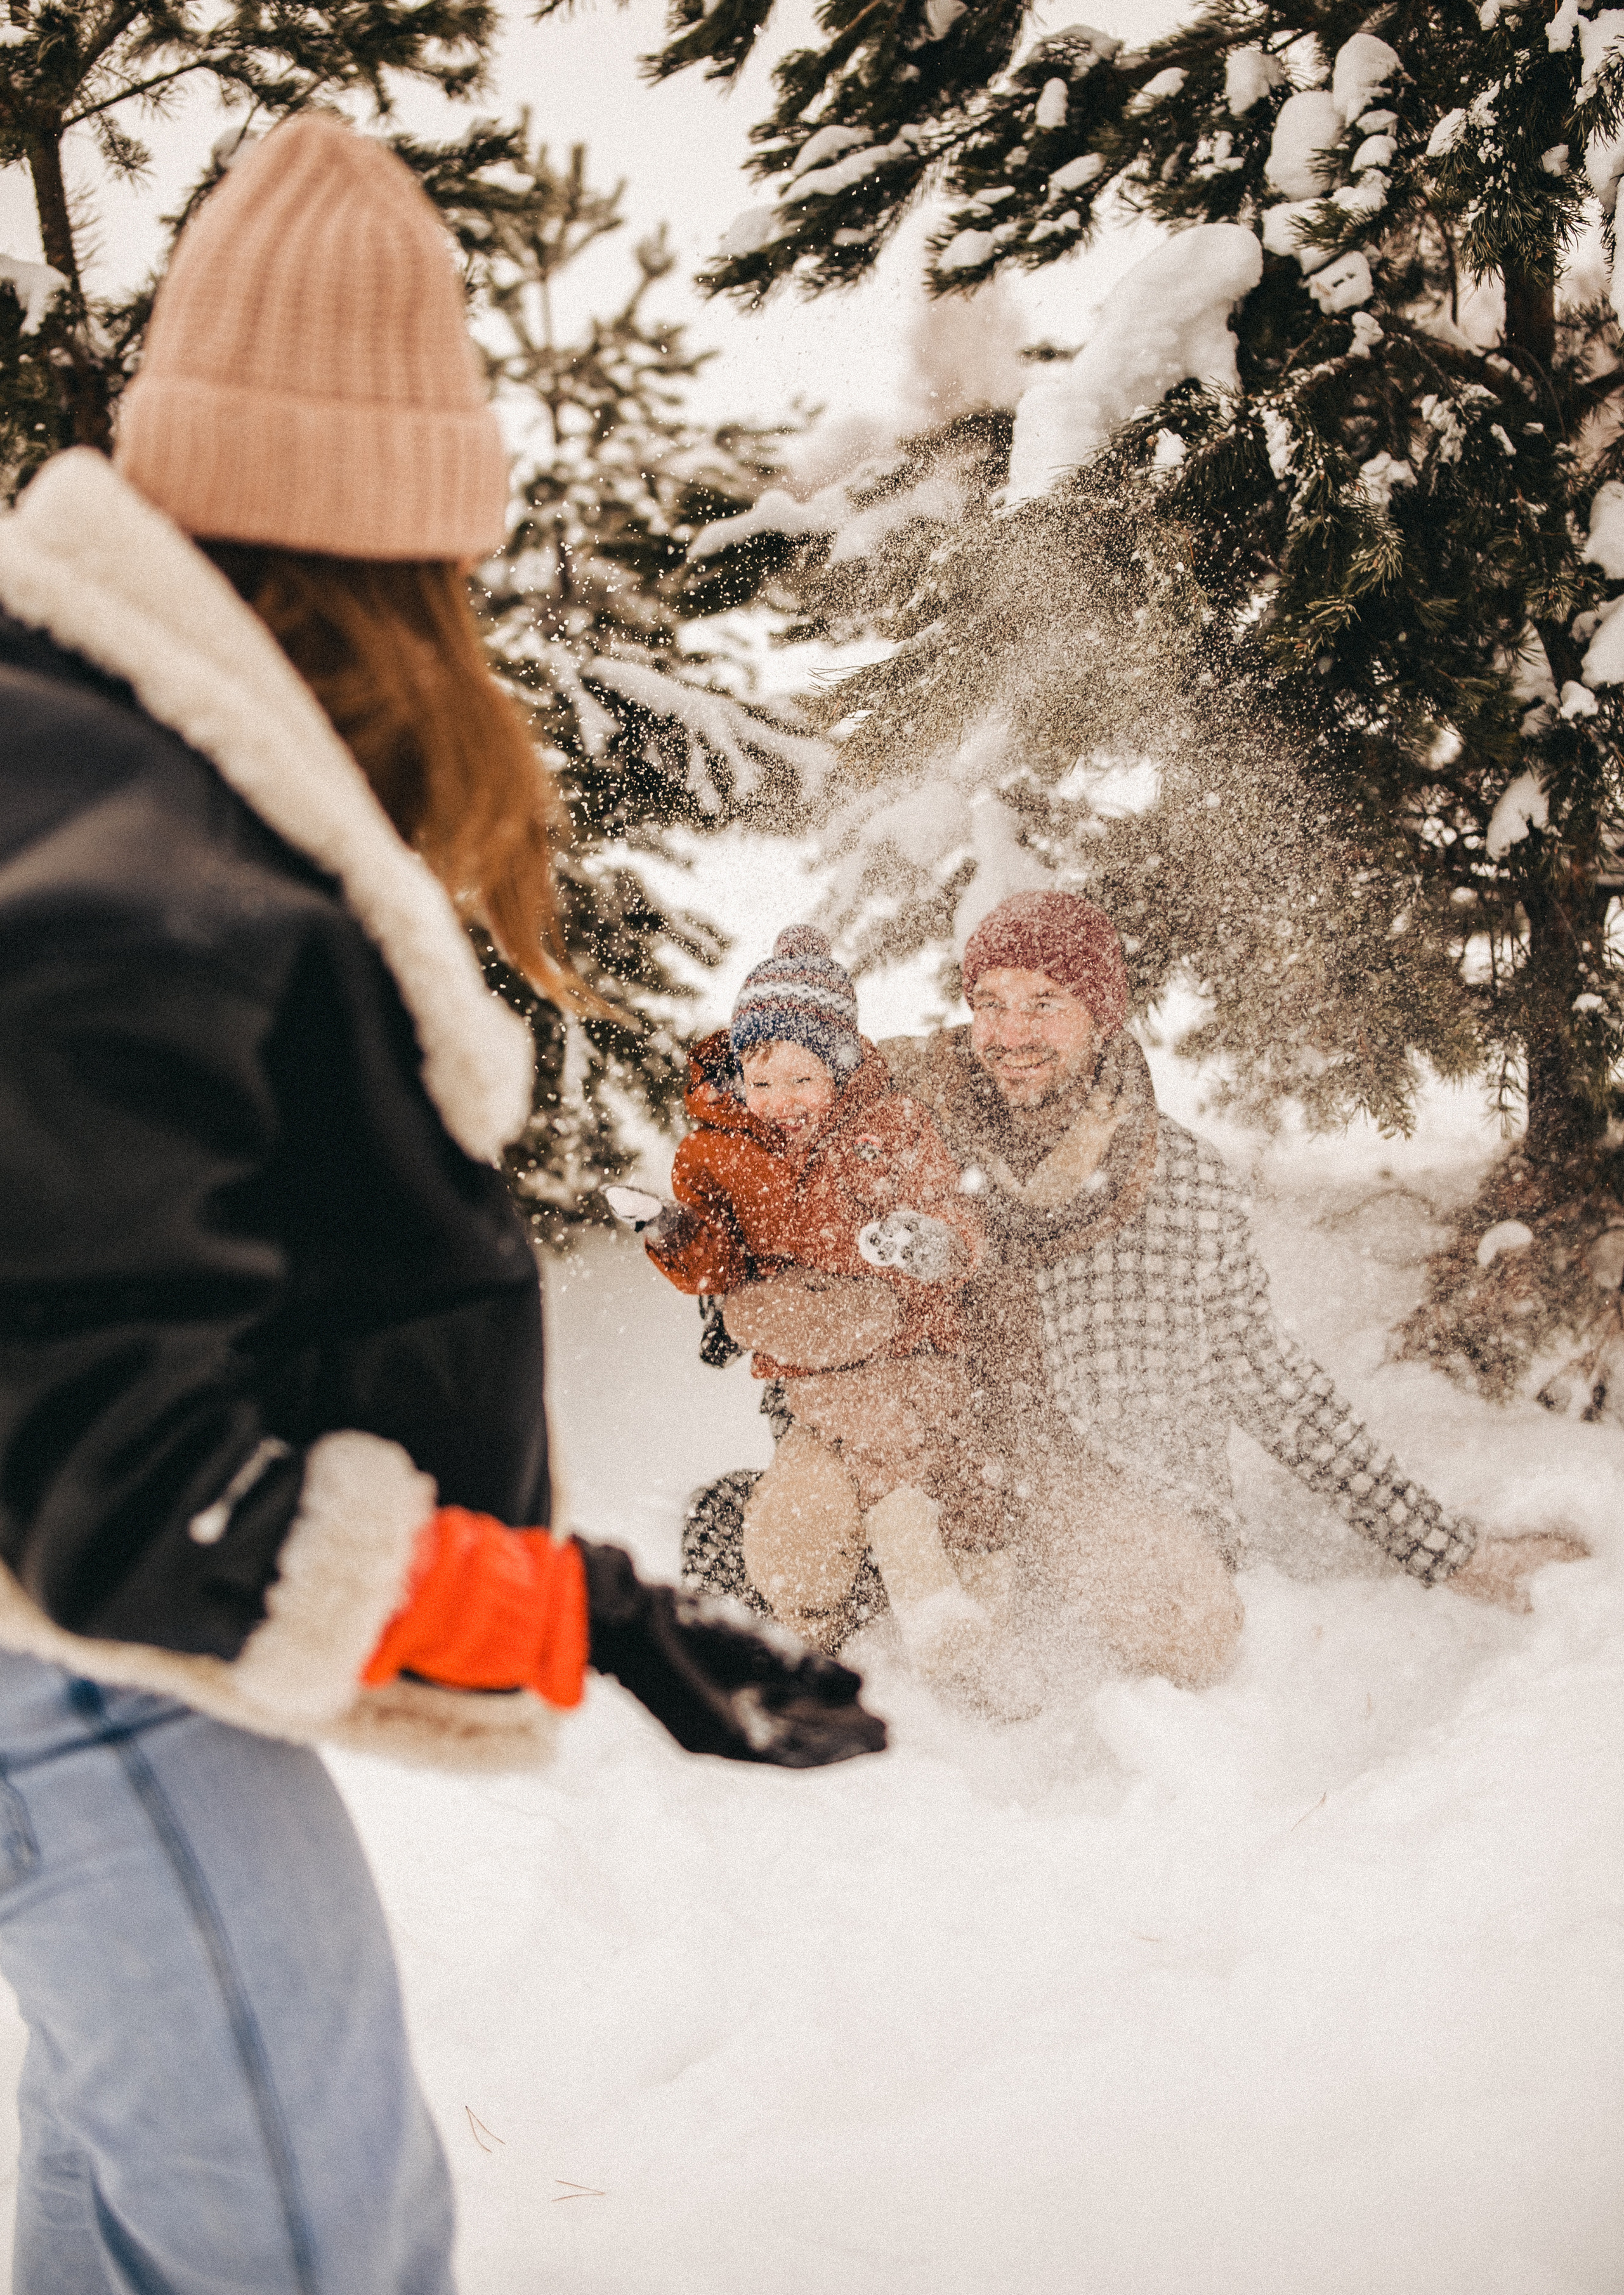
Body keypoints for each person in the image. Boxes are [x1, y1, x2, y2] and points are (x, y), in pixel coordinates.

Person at [0, 116, 882, 2295]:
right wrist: (585, 1616)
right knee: (317, 2250)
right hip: (62, 1671)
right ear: (391, 579)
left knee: (125, 2220)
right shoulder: (145, 888)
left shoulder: (87, 776)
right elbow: (115, 1481)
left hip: (67, 1648)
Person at [684, 890, 1585, 1688]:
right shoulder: (896, 1112)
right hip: (920, 1425)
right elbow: (771, 1162)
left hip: (1077, 1461)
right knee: (809, 1567)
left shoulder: (1178, 1180)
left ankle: (967, 1560)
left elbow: (1268, 1378)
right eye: (989, 1004)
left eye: (1046, 1002)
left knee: (1191, 1635)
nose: (1011, 1034)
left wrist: (1447, 1552)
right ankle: (804, 1537)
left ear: (1102, 1014)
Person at [621, 927, 1010, 1684]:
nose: (781, 1104)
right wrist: (669, 1231)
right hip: (813, 1378)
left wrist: (931, 1243)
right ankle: (814, 1641)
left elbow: (952, 1216)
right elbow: (718, 1265)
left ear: (839, 1068)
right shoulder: (718, 1149)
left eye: (803, 1081)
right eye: (762, 1085)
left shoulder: (890, 1126)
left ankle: (966, 1638)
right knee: (793, 1534)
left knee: (948, 1484)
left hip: (915, 1354)